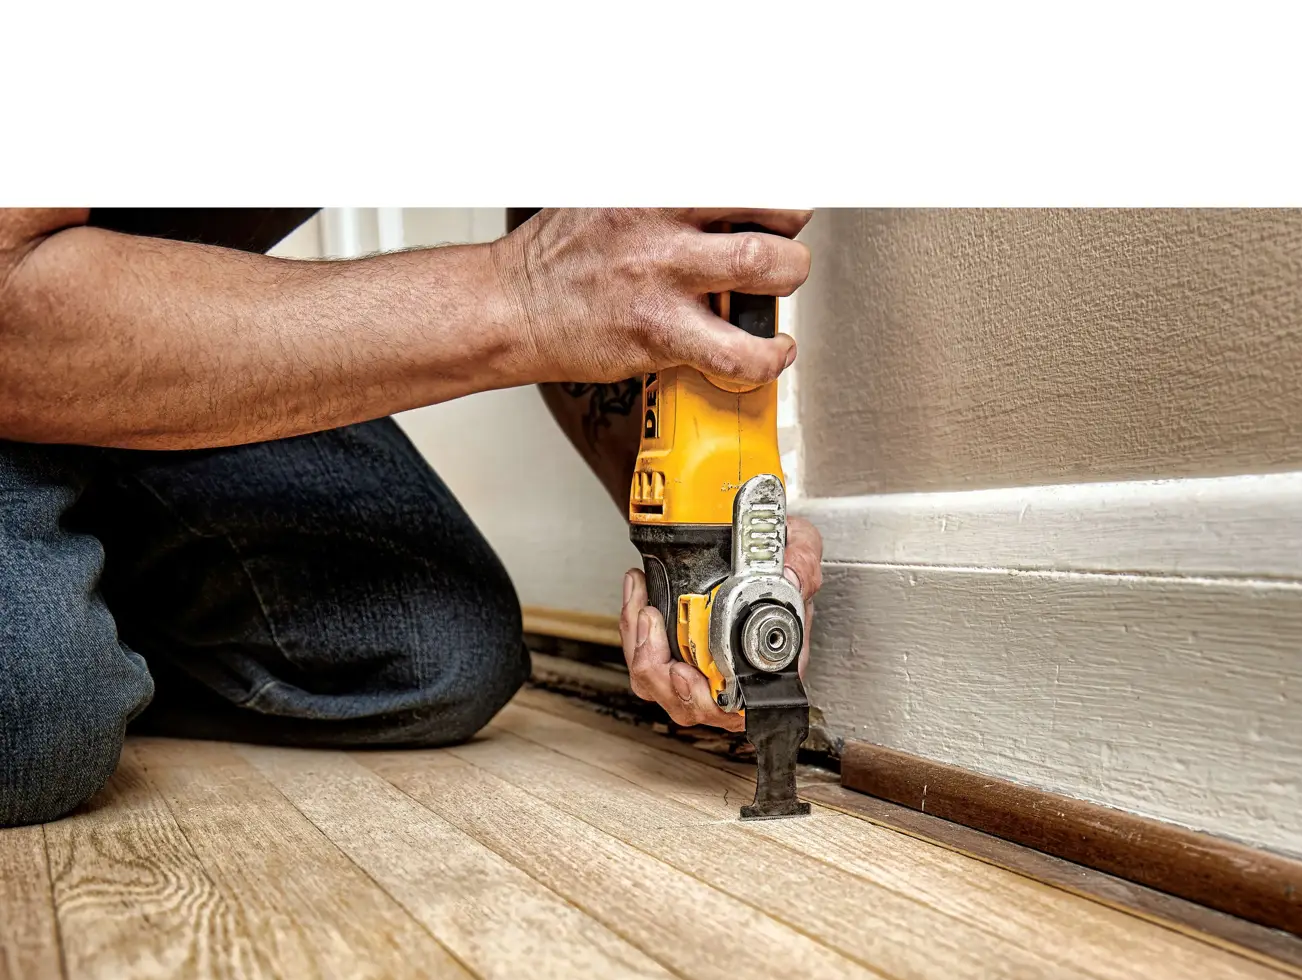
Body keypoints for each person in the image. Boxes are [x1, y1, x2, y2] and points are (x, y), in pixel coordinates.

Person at [0, 207, 824, 828]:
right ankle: (73, 637)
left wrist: (692, 533)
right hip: (27, 319)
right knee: (38, 721)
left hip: (157, 328)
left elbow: (606, 262)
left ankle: (86, 590)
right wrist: (523, 292)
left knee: (438, 655)